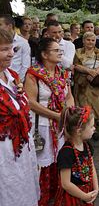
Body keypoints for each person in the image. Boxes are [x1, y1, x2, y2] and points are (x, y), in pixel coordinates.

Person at [25, 37, 75, 205]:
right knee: (43, 163)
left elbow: (69, 96)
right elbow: (31, 102)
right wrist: (55, 115)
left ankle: (58, 194)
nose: (60, 53)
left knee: (59, 159)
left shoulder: (62, 72)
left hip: (60, 125)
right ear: (45, 54)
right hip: (42, 126)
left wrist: (70, 113)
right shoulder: (34, 74)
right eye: (56, 50)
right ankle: (41, 198)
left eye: (60, 50)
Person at [0, 28, 40, 206]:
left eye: (12, 49)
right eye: (4, 50)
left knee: (21, 191)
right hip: (3, 153)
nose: (10, 54)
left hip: (20, 148)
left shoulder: (12, 76)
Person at [54, 106, 99, 205]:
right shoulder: (66, 153)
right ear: (79, 131)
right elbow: (65, 184)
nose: (94, 128)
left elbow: (92, 167)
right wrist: (85, 196)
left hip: (87, 193)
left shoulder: (87, 146)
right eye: (91, 126)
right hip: (72, 197)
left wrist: (96, 188)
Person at [73, 32, 99, 126]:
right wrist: (88, 71)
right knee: (82, 104)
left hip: (94, 83)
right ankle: (82, 124)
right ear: (83, 41)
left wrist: (94, 73)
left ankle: (93, 125)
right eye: (88, 40)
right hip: (81, 83)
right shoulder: (77, 52)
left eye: (93, 40)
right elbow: (75, 65)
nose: (90, 42)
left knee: (96, 104)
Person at [0, 14, 31, 81]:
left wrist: (18, 81)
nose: (11, 54)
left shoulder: (23, 42)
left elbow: (25, 65)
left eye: (0, 25)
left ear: (9, 26)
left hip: (16, 80)